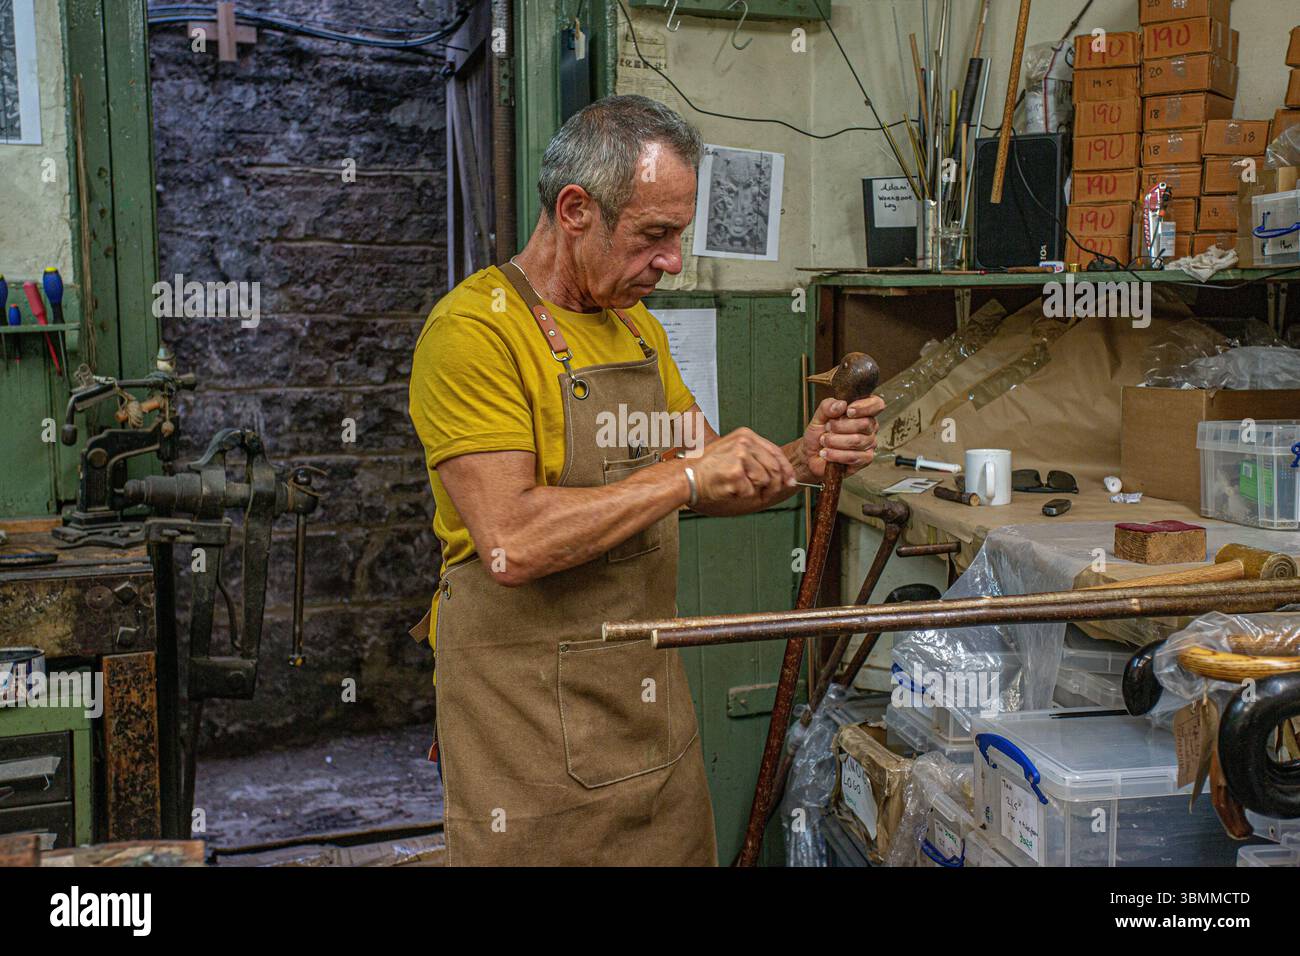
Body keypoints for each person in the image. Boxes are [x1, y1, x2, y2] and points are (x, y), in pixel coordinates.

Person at [408, 94, 883, 866]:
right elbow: (512, 543)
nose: (671, 262)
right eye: (654, 236)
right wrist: (684, 477)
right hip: (523, 720)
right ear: (574, 209)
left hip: (644, 706)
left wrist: (802, 459)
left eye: (678, 237)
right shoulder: (475, 332)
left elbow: (714, 472)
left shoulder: (635, 326)